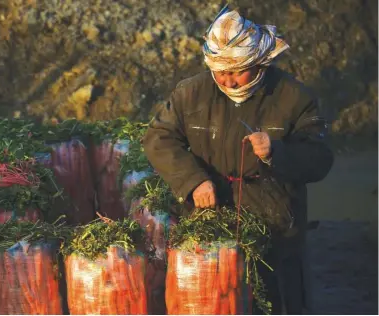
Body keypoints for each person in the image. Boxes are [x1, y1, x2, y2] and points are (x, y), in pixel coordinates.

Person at [143, 4, 334, 314]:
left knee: (277, 301)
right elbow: (158, 137)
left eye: (236, 71)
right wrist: (194, 181)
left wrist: (276, 152)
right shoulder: (189, 93)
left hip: (275, 225)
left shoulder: (294, 97)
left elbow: (320, 158)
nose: (228, 81)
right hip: (209, 218)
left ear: (260, 63)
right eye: (220, 72)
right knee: (214, 303)